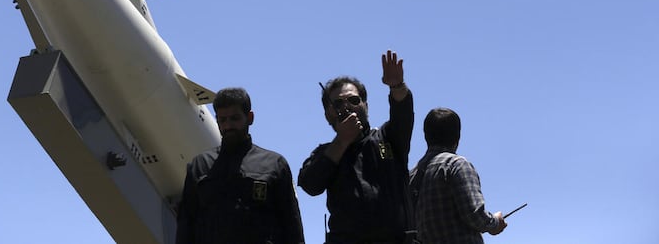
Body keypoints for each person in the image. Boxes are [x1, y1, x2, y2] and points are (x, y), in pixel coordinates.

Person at [298, 50, 415, 244]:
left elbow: (402, 113)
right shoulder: (324, 153)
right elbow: (310, 185)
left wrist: (397, 86)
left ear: (366, 106)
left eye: (354, 100)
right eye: (338, 103)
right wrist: (342, 141)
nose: (347, 107)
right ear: (328, 115)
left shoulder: (388, 138)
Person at [175, 87, 305, 244]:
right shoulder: (200, 166)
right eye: (222, 120)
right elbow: (186, 225)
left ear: (250, 117)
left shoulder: (274, 165)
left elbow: (291, 226)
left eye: (235, 118)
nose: (228, 125)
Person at [409, 108, 507, 244]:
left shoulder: (412, 175)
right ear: (457, 136)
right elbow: (474, 214)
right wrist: (495, 222)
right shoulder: (457, 165)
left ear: (426, 136)